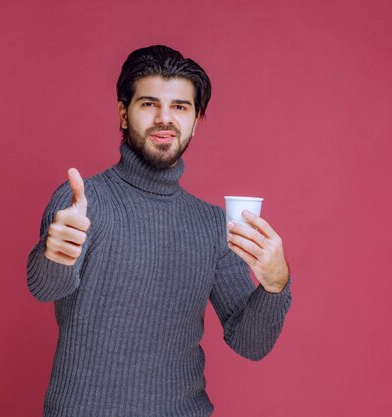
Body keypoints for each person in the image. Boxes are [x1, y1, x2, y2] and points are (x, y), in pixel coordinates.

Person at [26, 44, 292, 417]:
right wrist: (53, 254)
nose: (164, 119)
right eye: (149, 104)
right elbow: (46, 287)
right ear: (123, 113)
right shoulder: (84, 201)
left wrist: (275, 285)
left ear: (197, 120)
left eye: (180, 107)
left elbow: (250, 343)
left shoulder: (213, 225)